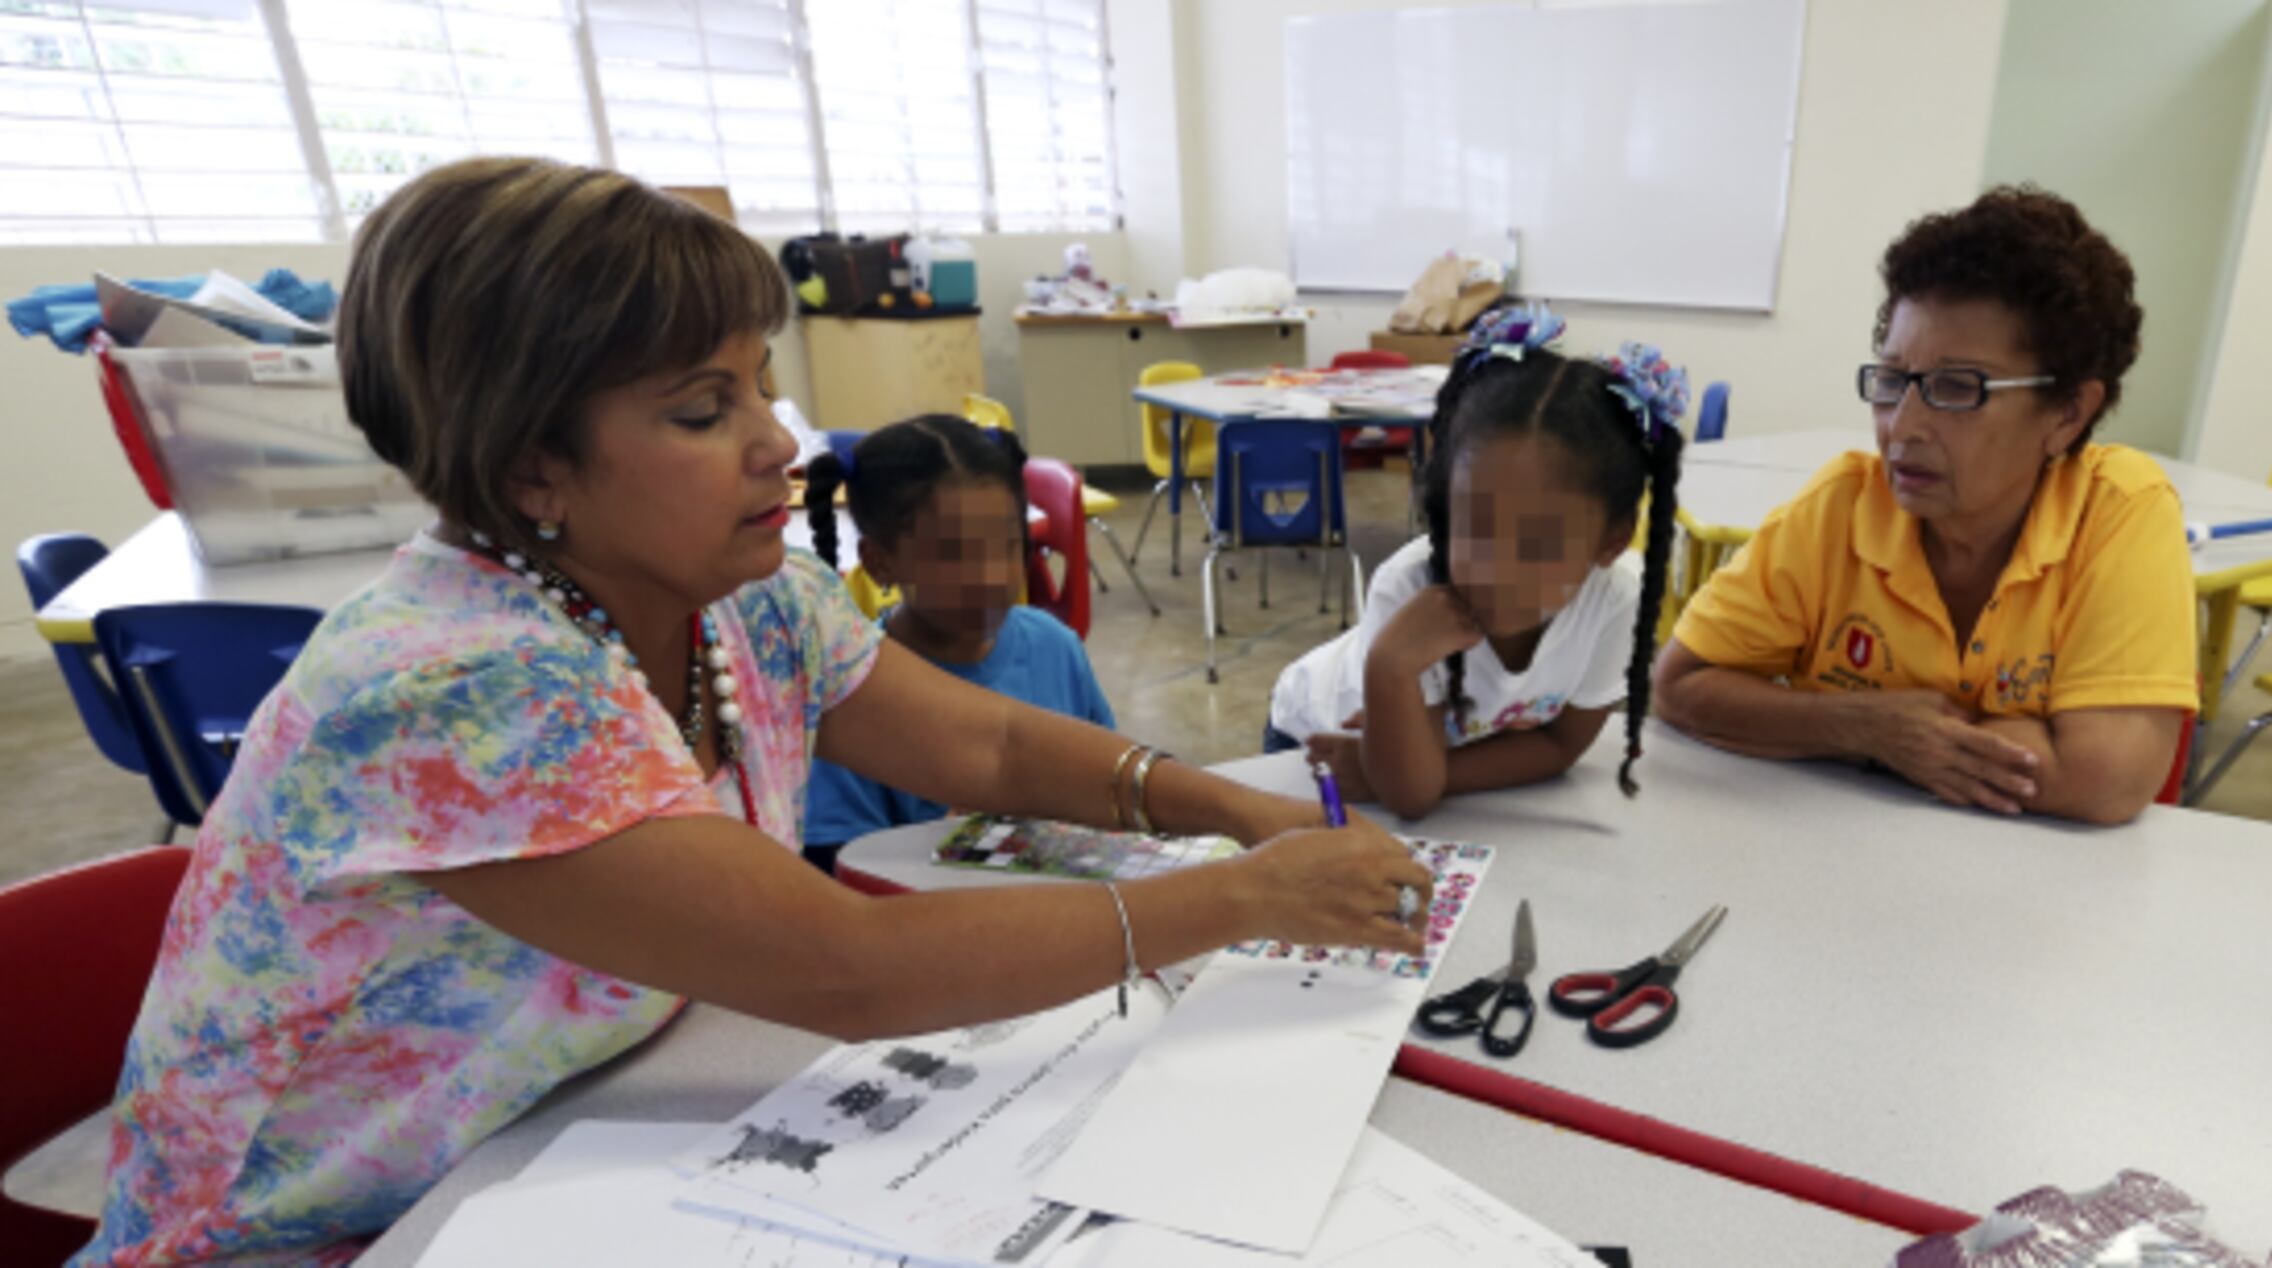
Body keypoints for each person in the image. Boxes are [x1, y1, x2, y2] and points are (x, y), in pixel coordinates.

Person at [74, 158, 1430, 1266]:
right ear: (532, 458)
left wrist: (1229, 808)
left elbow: (990, 742)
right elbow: (849, 973)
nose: (778, 439)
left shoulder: (748, 599)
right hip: (320, 1234)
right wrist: (1249, 897)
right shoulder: (455, 687)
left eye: (762, 384)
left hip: (566, 1137)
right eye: (703, 408)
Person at [1652, 186, 2197, 826]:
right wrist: (1869, 727)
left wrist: (1867, 732)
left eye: (1955, 388)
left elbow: (2106, 781)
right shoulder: (1843, 506)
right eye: (1892, 381)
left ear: (2068, 413)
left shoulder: (2119, 510)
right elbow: (1680, 685)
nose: (1902, 427)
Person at [1265, 306, 1688, 819]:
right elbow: (1410, 798)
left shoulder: (1618, 600)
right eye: (1475, 527)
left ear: (1613, 540)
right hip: (1308, 744)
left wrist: (1418, 769)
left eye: (1538, 543)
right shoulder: (1407, 587)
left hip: (1402, 764)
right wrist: (1389, 667)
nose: (1495, 571)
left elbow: (1560, 746)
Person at [797, 416, 1116, 871]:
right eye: (953, 554)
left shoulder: (1055, 648)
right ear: (879, 562)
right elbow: (843, 877)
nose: (989, 577)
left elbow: (1112, 788)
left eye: (1006, 546)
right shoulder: (850, 691)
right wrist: (948, 843)